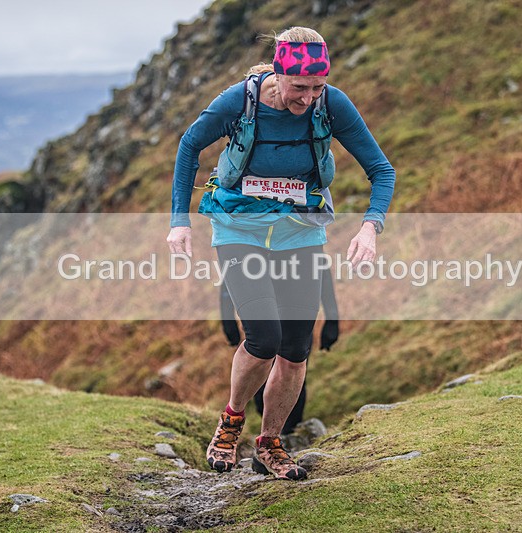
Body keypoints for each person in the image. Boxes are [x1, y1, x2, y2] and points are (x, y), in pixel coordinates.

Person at [167, 26, 395, 480]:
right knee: (264, 338)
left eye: (317, 87)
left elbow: (381, 170)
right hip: (239, 227)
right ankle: (231, 421)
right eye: (299, 87)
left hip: (299, 232)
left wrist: (370, 229)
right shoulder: (240, 101)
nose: (308, 98)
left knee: (294, 349)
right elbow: (190, 145)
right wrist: (179, 220)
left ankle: (269, 443)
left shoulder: (332, 104)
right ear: (277, 72)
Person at [220, 265, 339, 437]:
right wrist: (227, 320)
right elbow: (231, 279)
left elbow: (322, 274)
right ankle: (267, 431)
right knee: (260, 373)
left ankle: (288, 432)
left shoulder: (304, 242)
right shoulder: (251, 246)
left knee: (293, 373)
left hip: (296, 320)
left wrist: (332, 319)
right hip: (262, 322)